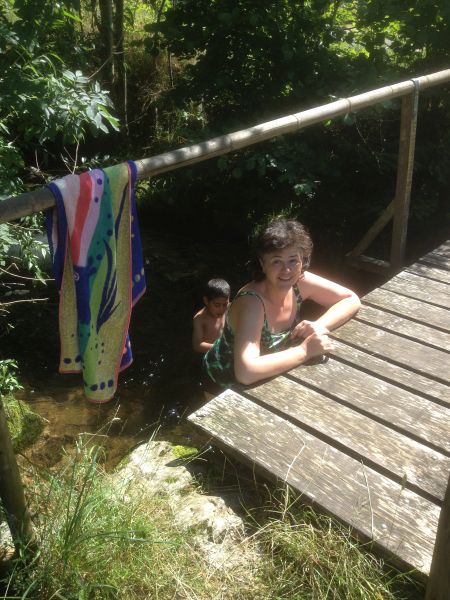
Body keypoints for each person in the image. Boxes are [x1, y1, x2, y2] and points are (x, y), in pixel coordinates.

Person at [203, 218, 361, 389]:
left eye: (293, 260)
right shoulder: (252, 302)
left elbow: (350, 299)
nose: (286, 270)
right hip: (223, 384)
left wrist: (320, 325)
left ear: (302, 260)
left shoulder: (300, 282)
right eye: (276, 261)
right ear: (262, 264)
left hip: (268, 377)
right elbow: (246, 372)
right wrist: (304, 351)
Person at [192, 278, 231, 354]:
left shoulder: (230, 308)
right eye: (217, 305)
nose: (221, 309)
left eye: (225, 304)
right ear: (206, 301)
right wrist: (221, 348)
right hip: (213, 354)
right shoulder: (200, 318)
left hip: (229, 350)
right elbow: (197, 345)